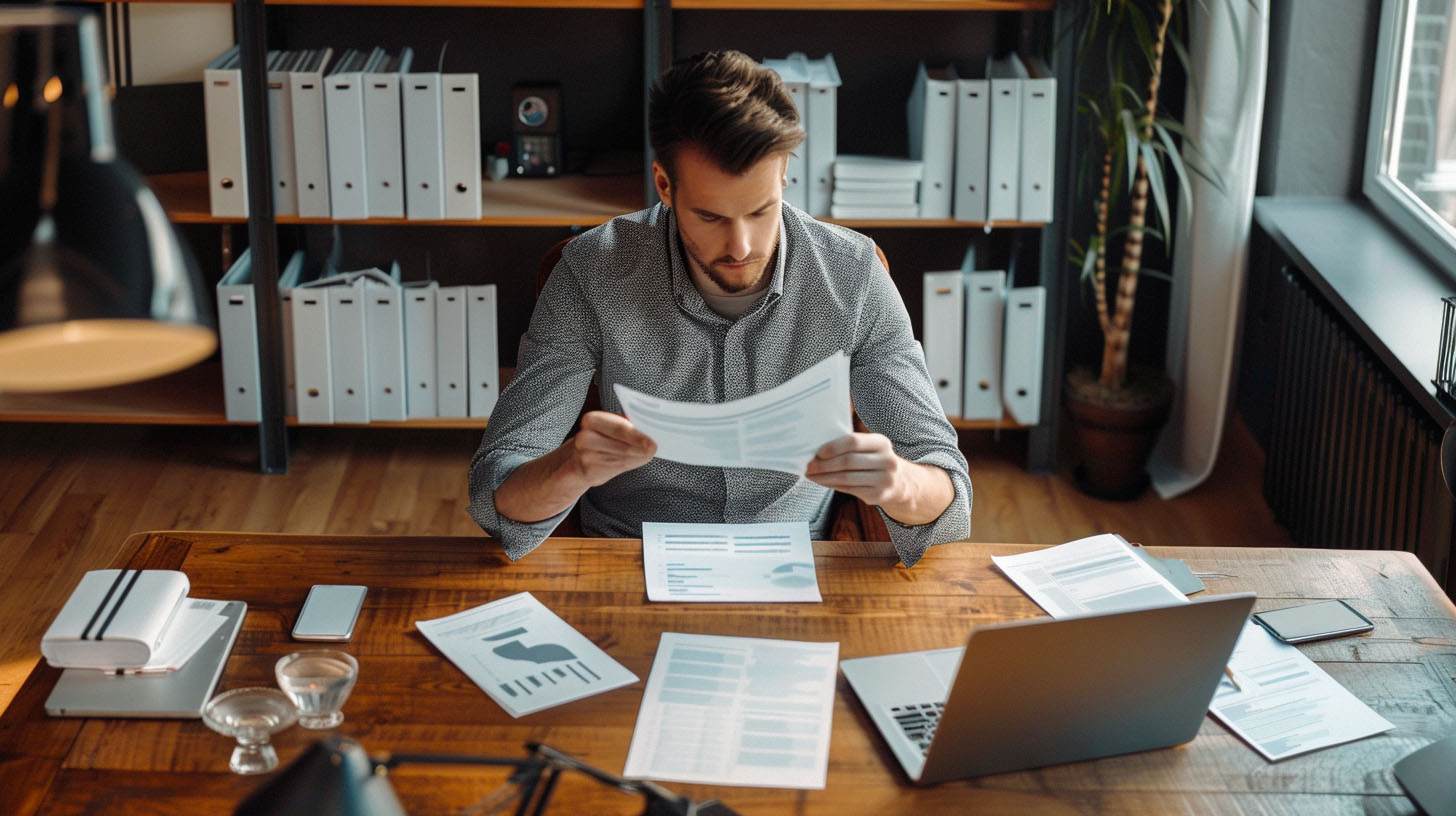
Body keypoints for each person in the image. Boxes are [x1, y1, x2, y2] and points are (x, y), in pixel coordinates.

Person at [468, 50, 970, 566]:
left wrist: (899, 483)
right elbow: (495, 490)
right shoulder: (591, 271)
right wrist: (570, 466)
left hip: (797, 556)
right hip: (628, 556)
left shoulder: (853, 273)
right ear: (665, 185)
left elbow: (950, 495)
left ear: (784, 178)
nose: (741, 246)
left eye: (760, 211)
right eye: (710, 216)